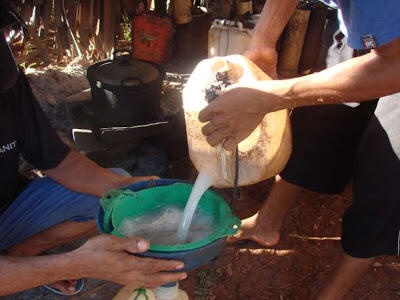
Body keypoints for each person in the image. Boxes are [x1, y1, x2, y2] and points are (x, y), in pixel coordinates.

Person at [199, 0, 400, 299]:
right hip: (372, 22)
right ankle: (265, 225)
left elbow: (394, 66)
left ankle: (329, 296)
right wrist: (263, 42)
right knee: (318, 119)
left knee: (385, 177)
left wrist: (273, 97)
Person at [0, 3, 186, 296]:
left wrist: (121, 185)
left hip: (8, 214)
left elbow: (59, 161)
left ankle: (21, 254)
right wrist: (69, 265)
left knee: (113, 198)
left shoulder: (6, 81)